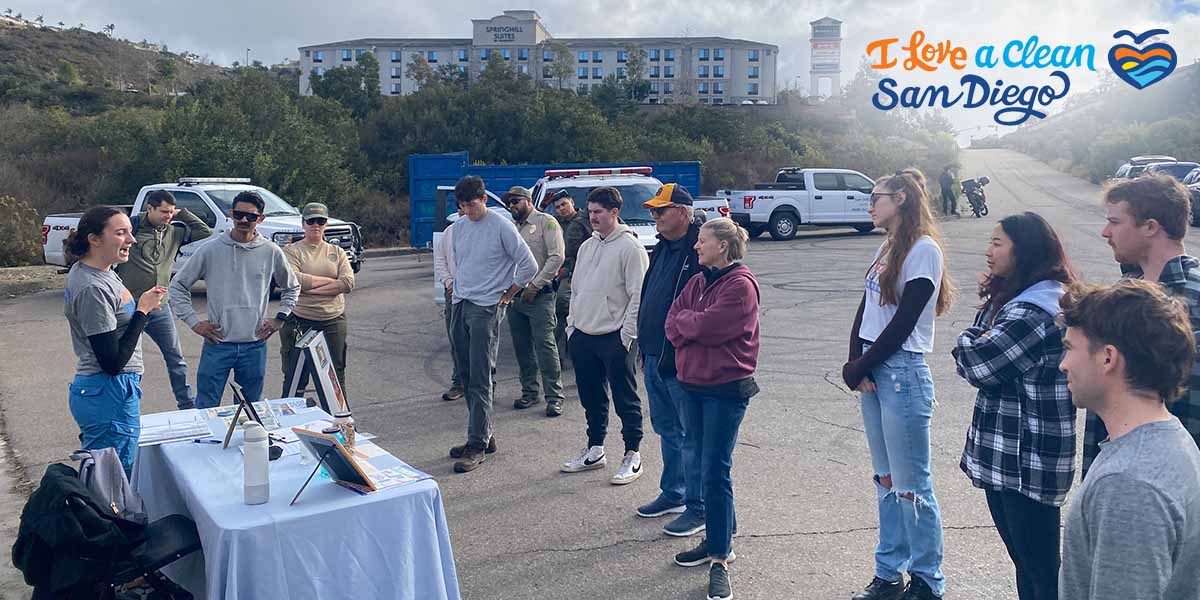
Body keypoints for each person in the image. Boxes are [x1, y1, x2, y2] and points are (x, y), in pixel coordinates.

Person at [842, 169, 955, 600]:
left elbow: (906, 320)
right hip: (875, 367)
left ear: (902, 198)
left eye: (877, 196)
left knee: (912, 484)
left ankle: (927, 579)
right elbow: (866, 306)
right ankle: (888, 574)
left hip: (902, 372)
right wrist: (857, 362)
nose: (870, 204)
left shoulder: (923, 250)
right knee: (887, 480)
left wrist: (866, 363)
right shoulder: (888, 245)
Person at [952, 213, 1077, 600]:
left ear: (1024, 251)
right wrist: (984, 327)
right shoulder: (1027, 297)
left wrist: (970, 334)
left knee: (1039, 570)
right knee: (1028, 564)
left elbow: (978, 363)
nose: (988, 252)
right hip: (1014, 456)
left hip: (1025, 458)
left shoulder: (1034, 309)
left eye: (997, 243)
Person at [1057, 279, 1200, 600]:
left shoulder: (1128, 482)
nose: (1062, 364)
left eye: (1069, 348)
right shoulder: (1171, 436)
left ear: (1108, 358)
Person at [664, 218, 760, 600]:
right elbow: (673, 322)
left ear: (723, 245)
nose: (696, 246)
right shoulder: (698, 280)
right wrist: (690, 325)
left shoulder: (740, 285)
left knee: (715, 469)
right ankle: (718, 536)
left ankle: (720, 556)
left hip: (724, 390)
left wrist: (690, 325)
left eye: (702, 240)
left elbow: (709, 328)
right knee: (700, 465)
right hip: (692, 386)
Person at [1085, 175, 1200, 477]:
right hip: (1114, 471)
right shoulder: (1122, 293)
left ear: (1150, 227)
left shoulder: (1194, 296)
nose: (1105, 232)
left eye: (1115, 222)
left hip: (1172, 483)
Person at [170, 191, 300, 408]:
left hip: (254, 346)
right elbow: (177, 286)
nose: (244, 220)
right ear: (231, 214)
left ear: (261, 219)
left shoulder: (271, 251)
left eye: (251, 217)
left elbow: (292, 287)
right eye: (239, 214)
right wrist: (194, 323)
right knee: (206, 408)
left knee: (249, 410)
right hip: (217, 344)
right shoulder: (211, 250)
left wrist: (279, 319)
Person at [63, 206, 168, 476]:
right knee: (113, 481)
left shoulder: (102, 271)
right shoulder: (93, 288)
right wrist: (142, 311)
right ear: (94, 239)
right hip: (108, 390)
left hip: (109, 391)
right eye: (121, 233)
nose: (131, 240)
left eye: (130, 232)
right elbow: (112, 362)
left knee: (108, 475)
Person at [447, 176, 538, 473]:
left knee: (481, 375)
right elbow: (463, 263)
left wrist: (509, 294)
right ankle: (483, 433)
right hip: (461, 302)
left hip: (486, 306)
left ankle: (477, 443)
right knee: (465, 374)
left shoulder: (501, 225)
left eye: (471, 205)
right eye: (462, 206)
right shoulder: (458, 227)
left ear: (484, 199)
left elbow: (528, 265)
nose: (467, 211)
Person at [560, 186, 649, 485]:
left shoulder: (630, 248)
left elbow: (638, 295)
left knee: (625, 397)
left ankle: (632, 454)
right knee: (591, 396)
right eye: (590, 211)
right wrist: (572, 326)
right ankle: (595, 449)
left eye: (599, 212)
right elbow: (576, 288)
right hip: (583, 333)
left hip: (614, 337)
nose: (593, 217)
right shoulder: (587, 246)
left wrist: (626, 336)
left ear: (615, 212)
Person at [634, 183, 707, 537]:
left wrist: (676, 351)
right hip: (654, 357)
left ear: (682, 211)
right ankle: (674, 493)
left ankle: (699, 507)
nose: (655, 217)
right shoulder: (663, 248)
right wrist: (645, 349)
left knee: (694, 438)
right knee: (668, 431)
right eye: (653, 211)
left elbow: (703, 312)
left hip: (682, 363)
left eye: (660, 211)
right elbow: (650, 295)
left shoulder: (700, 251)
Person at [115, 190, 211, 410]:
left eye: (170, 212)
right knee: (128, 361)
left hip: (160, 306)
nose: (168, 216)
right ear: (149, 208)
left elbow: (204, 231)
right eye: (163, 211)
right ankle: (124, 405)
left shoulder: (174, 232)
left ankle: (186, 404)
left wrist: (182, 212)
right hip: (131, 306)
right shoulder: (133, 229)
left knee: (176, 358)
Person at [280, 203, 355, 398]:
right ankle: (289, 419)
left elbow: (347, 283)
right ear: (303, 223)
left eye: (320, 221)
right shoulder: (292, 251)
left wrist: (309, 288)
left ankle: (341, 420)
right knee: (295, 374)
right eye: (311, 221)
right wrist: (331, 284)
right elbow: (295, 280)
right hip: (300, 319)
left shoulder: (336, 252)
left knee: (335, 374)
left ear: (326, 224)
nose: (315, 225)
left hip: (333, 320)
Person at [503, 186, 567, 416]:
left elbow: (557, 256)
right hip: (515, 297)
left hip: (540, 297)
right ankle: (530, 392)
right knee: (522, 348)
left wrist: (535, 284)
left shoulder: (545, 222)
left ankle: (554, 396)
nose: (512, 206)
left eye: (516, 201)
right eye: (509, 203)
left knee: (545, 346)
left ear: (528, 201)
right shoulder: (511, 228)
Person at [552, 190, 592, 364]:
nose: (562, 209)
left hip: (584, 271)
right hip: (563, 271)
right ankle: (557, 354)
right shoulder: (554, 224)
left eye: (564, 204)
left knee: (564, 304)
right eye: (558, 207)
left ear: (572, 202)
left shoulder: (586, 218)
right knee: (560, 310)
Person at [435, 207, 466, 402]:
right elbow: (440, 260)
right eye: (462, 208)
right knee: (456, 340)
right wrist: (448, 283)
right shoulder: (449, 233)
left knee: (483, 343)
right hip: (453, 292)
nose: (465, 212)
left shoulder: (486, 230)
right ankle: (459, 382)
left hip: (477, 295)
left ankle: (486, 382)